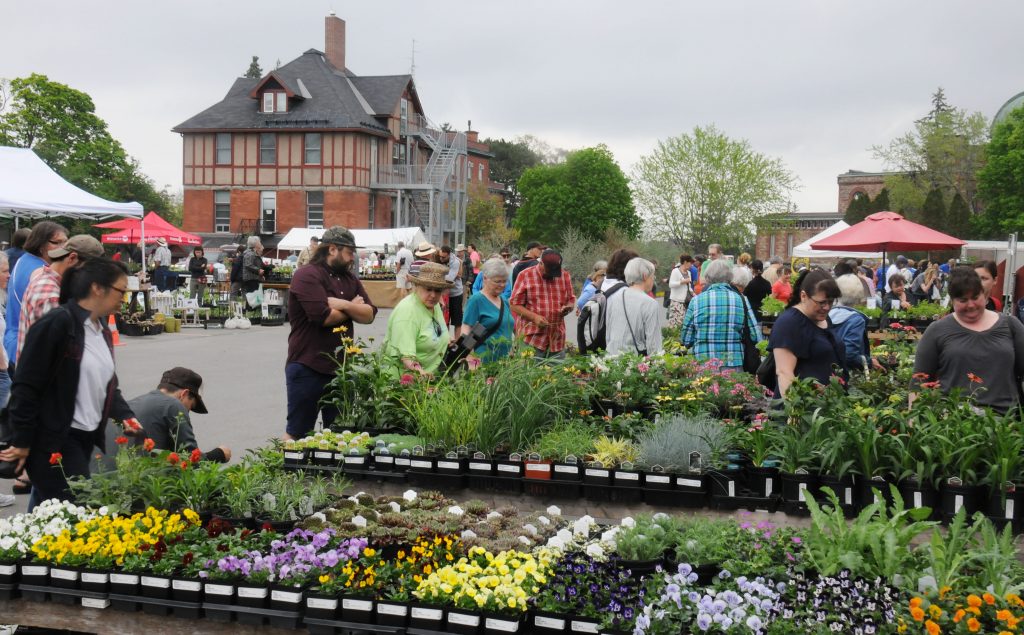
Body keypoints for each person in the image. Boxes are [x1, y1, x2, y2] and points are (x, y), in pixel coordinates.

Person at [0, 259, 134, 509]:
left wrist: (125, 414)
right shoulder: (58, 323)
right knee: (76, 509)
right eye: (121, 291)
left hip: (83, 437)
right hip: (54, 439)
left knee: (51, 511)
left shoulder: (100, 328)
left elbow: (107, 380)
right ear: (97, 288)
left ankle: (26, 546)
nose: (123, 299)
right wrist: (21, 439)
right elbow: (26, 385)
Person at [285, 226, 376, 440]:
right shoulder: (306, 275)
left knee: (338, 434)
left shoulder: (350, 279)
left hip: (341, 369)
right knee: (298, 433)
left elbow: (369, 314)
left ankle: (330, 474)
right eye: (349, 251)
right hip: (308, 365)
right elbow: (323, 318)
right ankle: (286, 470)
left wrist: (343, 304)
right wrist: (353, 308)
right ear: (332, 249)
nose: (352, 257)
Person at [912, 267, 1024, 412]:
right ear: (952, 301)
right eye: (963, 300)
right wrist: (914, 423)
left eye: (975, 297)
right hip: (951, 423)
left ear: (984, 295)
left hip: (1005, 424)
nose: (971, 305)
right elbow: (917, 382)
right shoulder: (937, 330)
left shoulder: (1010, 325)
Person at [17, 235, 105, 363]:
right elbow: (53, 355)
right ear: (72, 258)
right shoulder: (51, 296)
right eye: (89, 270)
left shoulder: (44, 277)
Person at [768, 268, 845, 397]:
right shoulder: (789, 323)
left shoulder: (824, 318)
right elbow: (784, 373)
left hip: (826, 408)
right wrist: (795, 413)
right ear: (803, 296)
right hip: (804, 411)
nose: (826, 307)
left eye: (831, 302)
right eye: (821, 302)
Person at [128, 367, 229, 463]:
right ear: (184, 394)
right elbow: (191, 460)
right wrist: (219, 454)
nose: (188, 411)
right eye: (191, 406)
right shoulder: (173, 406)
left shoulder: (129, 405)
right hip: (149, 478)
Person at [5, 221, 68, 367]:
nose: (64, 247)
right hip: (27, 346)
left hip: (14, 339)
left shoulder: (24, 260)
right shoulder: (40, 272)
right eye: (57, 242)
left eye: (65, 242)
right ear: (40, 246)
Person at [681, 259, 761, 370]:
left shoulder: (696, 301)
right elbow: (755, 335)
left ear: (708, 277)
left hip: (704, 364)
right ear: (730, 277)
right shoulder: (742, 300)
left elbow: (686, 339)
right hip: (734, 362)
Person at [383, 261, 452, 376]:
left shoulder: (433, 305)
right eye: (428, 289)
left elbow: (436, 331)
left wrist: (446, 341)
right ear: (416, 286)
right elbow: (407, 357)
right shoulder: (408, 312)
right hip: (403, 382)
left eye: (437, 290)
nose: (433, 295)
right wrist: (421, 373)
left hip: (427, 378)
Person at [510, 249, 575, 360]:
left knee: (557, 376)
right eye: (548, 271)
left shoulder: (565, 276)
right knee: (529, 375)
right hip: (531, 339)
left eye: (554, 272)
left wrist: (568, 307)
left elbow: (571, 300)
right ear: (540, 263)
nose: (551, 275)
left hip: (557, 339)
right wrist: (534, 317)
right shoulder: (525, 275)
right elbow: (514, 304)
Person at [461, 257, 515, 363]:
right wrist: (470, 357)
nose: (502, 285)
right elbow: (466, 328)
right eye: (498, 281)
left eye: (505, 281)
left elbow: (507, 328)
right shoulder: (477, 300)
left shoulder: (503, 300)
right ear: (485, 278)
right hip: (484, 360)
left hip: (505, 360)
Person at [606, 258, 663, 356]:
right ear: (645, 276)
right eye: (653, 276)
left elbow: (608, 333)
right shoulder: (650, 303)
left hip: (611, 359)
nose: (653, 279)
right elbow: (654, 344)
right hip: (634, 363)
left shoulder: (614, 297)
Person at [829, 274, 874, 372]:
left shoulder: (827, 314)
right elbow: (849, 355)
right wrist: (870, 362)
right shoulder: (856, 320)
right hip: (847, 374)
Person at [439, 245, 465, 330]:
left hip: (455, 293)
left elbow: (450, 279)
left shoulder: (455, 262)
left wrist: (438, 276)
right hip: (444, 294)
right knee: (444, 319)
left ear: (449, 254)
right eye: (440, 256)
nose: (441, 259)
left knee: (457, 320)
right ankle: (446, 340)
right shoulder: (439, 258)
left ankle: (456, 341)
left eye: (443, 257)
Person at [667, 254, 693, 328]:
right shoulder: (675, 271)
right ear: (685, 262)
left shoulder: (689, 273)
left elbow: (689, 287)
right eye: (690, 263)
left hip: (686, 302)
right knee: (675, 324)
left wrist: (693, 293)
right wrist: (682, 281)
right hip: (676, 301)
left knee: (684, 324)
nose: (691, 265)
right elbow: (671, 284)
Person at [241, 236, 264, 303]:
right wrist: (258, 270)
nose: (260, 243)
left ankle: (251, 311)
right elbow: (248, 264)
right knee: (251, 297)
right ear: (255, 244)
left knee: (253, 296)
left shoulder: (252, 252)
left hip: (253, 278)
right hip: (250, 278)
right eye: (259, 242)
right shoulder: (250, 253)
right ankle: (250, 311)